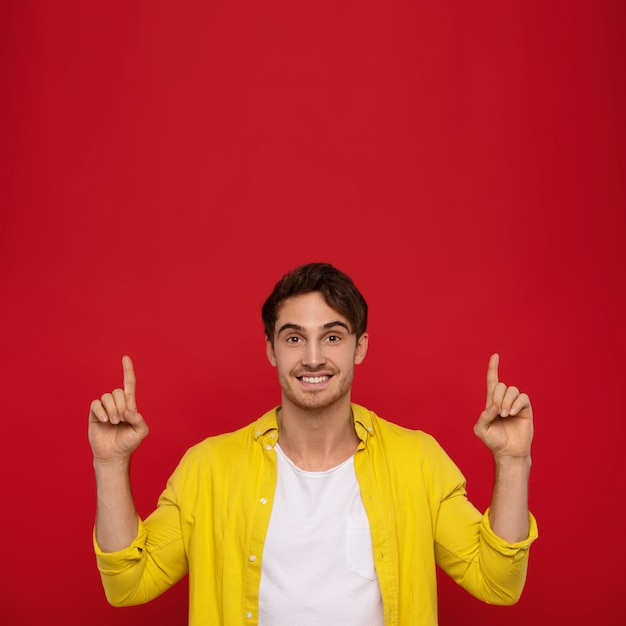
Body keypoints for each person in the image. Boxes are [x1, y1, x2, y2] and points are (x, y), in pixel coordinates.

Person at [89, 262, 538, 626]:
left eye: (332, 336)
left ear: (359, 347)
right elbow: (128, 585)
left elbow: (497, 582)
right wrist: (109, 465)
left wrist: (514, 462)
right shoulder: (208, 467)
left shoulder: (417, 461)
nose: (312, 358)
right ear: (271, 350)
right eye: (294, 338)